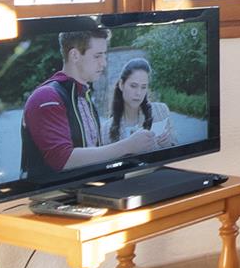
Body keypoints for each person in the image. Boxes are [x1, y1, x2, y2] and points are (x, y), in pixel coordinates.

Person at [19, 28, 160, 183]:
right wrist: (128, 146)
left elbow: (95, 155)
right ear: (74, 55)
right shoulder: (46, 96)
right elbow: (62, 160)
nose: (104, 63)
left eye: (104, 55)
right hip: (54, 195)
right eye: (97, 56)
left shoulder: (84, 96)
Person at [108, 57, 174, 148]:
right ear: (121, 84)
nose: (138, 93)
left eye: (143, 87)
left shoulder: (161, 111)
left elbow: (178, 149)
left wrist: (168, 145)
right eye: (133, 86)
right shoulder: (106, 129)